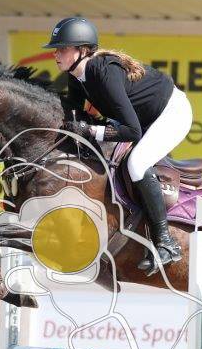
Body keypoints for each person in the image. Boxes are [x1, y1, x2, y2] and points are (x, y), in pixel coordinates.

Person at [47, 15, 189, 270]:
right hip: (145, 118)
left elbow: (132, 131)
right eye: (56, 49)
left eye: (62, 48)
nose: (55, 54)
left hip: (171, 114)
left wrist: (90, 130)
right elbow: (75, 117)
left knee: (137, 163)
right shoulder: (76, 76)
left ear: (82, 51)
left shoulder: (103, 72)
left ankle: (166, 243)